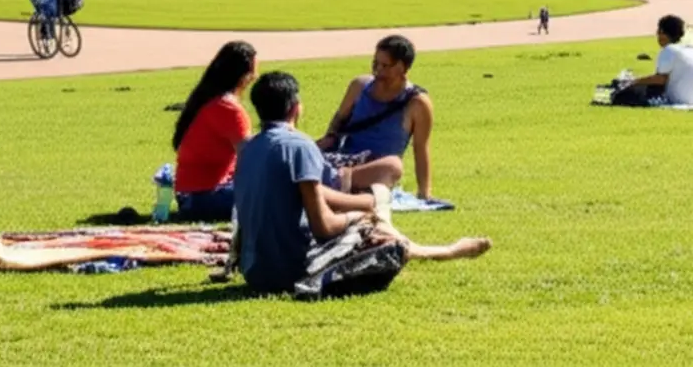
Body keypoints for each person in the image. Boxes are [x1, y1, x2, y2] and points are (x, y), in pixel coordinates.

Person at [231, 71, 491, 296]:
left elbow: (308, 193)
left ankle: (436, 248)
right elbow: (324, 227)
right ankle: (446, 252)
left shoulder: (248, 149)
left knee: (368, 218)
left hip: (254, 272)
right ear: (296, 107)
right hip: (291, 271)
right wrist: (358, 215)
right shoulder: (300, 146)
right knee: (384, 242)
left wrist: (364, 203)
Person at [317, 35, 435, 199]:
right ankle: (338, 181)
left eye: (385, 66)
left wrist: (424, 193)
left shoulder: (417, 103)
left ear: (402, 67)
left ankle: (336, 182)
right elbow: (339, 119)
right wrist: (330, 137)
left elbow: (421, 149)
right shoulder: (359, 86)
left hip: (377, 168)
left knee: (394, 166)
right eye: (375, 63)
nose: (378, 70)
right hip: (344, 160)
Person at [172, 41, 257, 222]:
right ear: (244, 75)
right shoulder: (229, 108)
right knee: (282, 193)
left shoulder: (206, 100)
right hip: (205, 197)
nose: (255, 77)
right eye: (253, 71)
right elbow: (250, 158)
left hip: (189, 196)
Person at [619, 15, 693, 106]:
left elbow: (660, 79)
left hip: (680, 98)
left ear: (662, 32)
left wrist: (634, 82)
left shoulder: (669, 50)